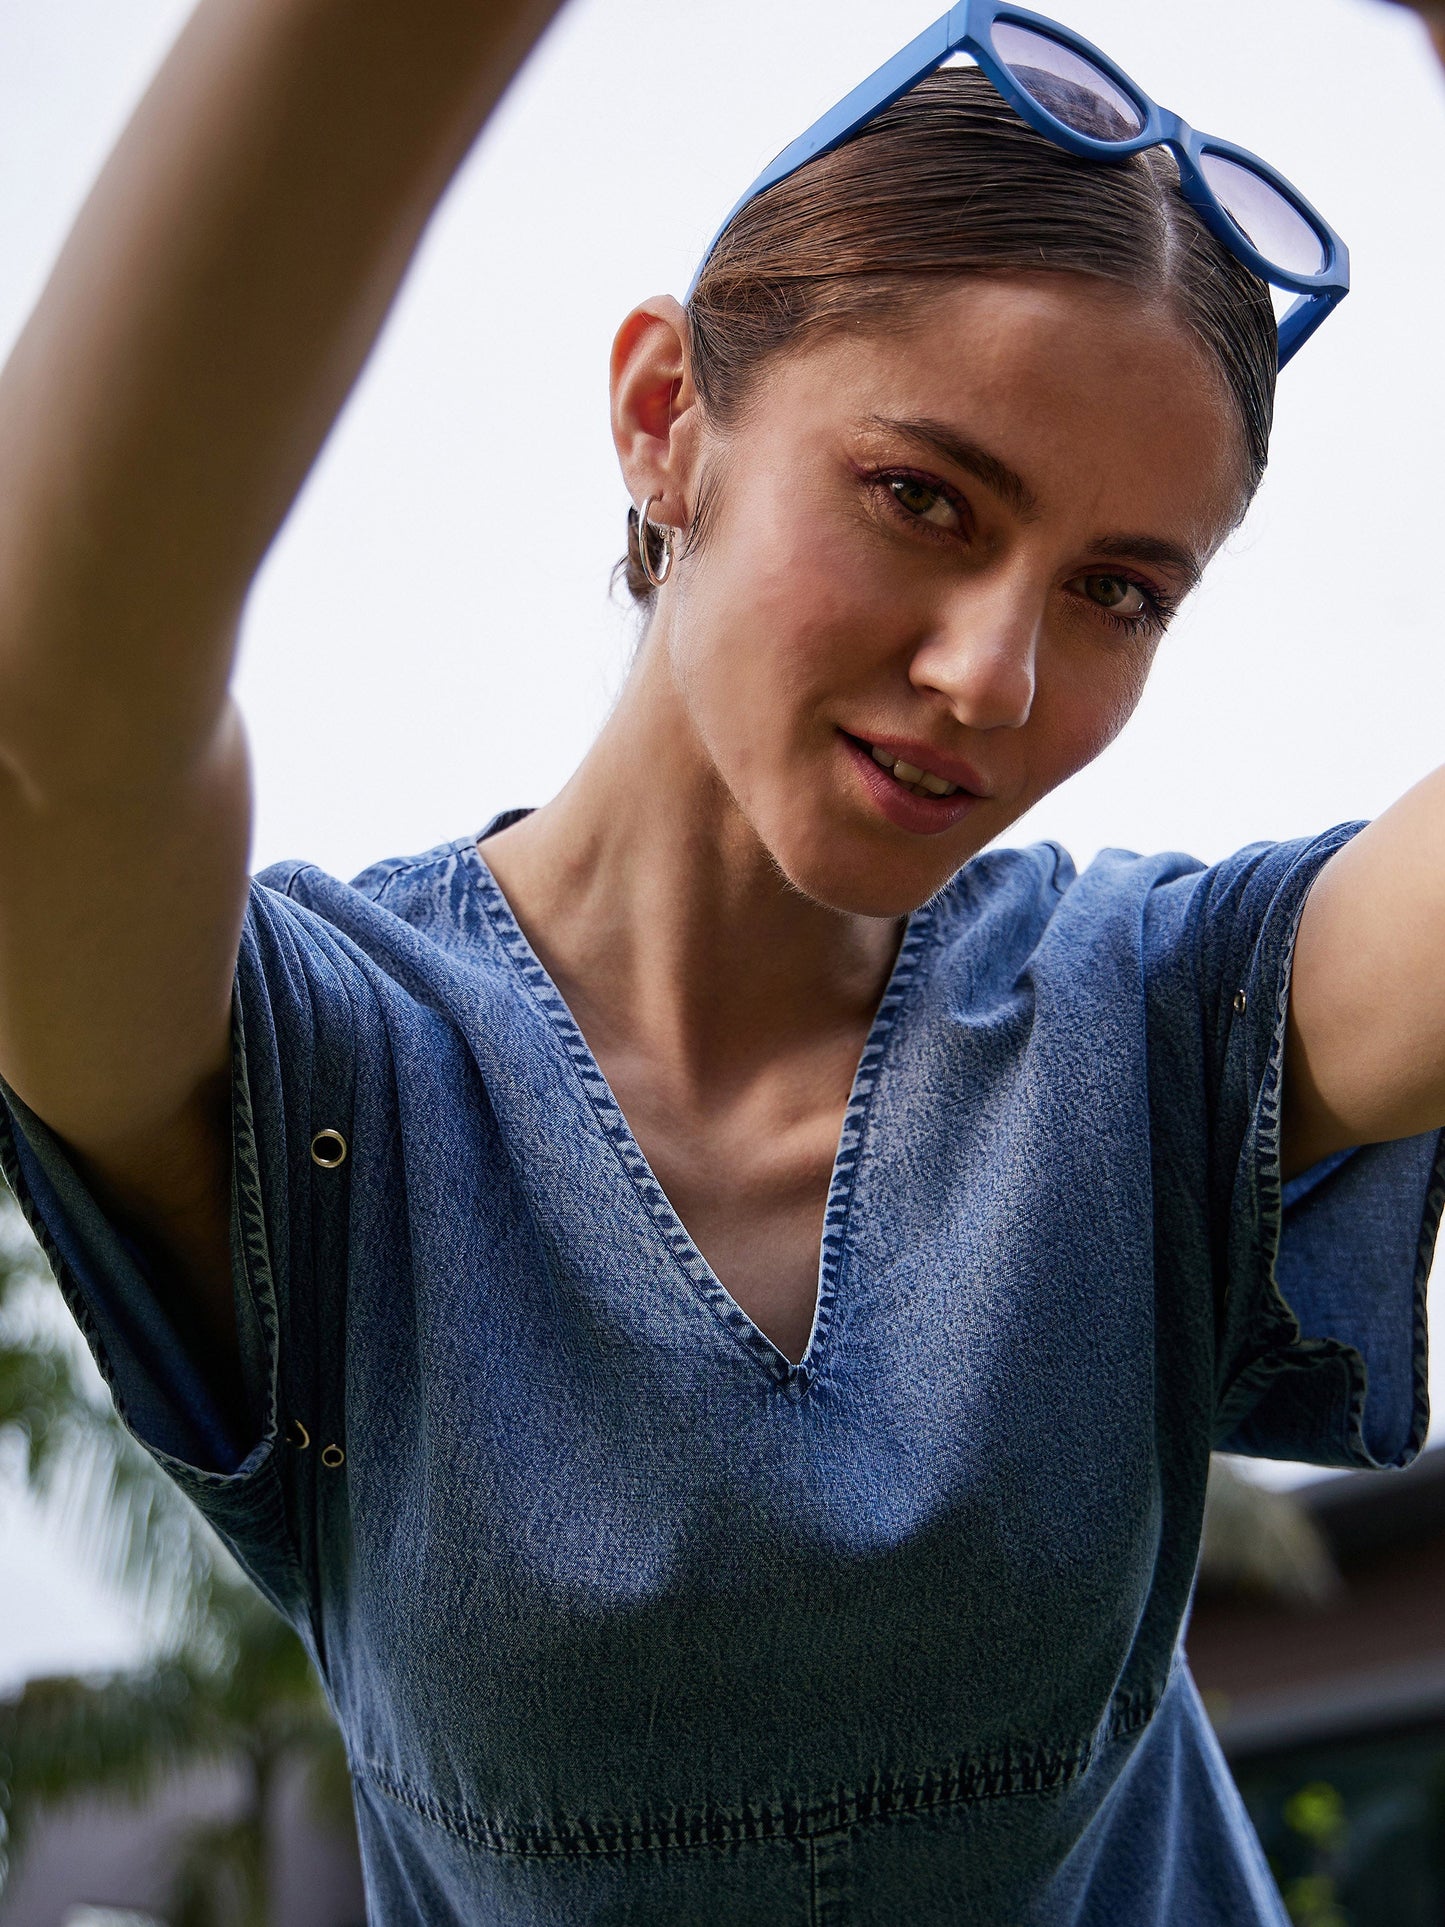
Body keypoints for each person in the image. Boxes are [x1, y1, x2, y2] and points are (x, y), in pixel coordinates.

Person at [0, 1, 1441, 1921]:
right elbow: (53, 716)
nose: (992, 676)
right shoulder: (322, 1088)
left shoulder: (1160, 1024)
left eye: (1117, 592)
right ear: (667, 419)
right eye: (923, 496)